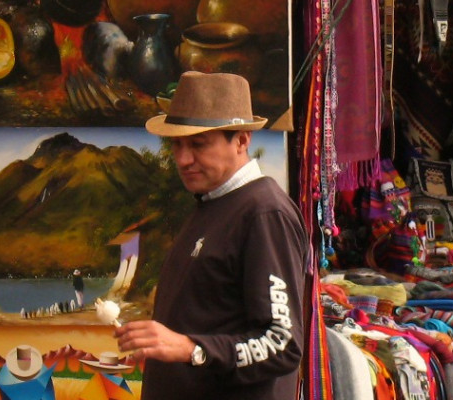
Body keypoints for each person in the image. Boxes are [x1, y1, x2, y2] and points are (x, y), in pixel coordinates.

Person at [115, 72, 308, 400]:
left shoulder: (264, 214)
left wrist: (191, 349)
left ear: (242, 140)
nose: (183, 159)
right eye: (177, 144)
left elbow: (283, 344)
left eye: (199, 144)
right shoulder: (212, 202)